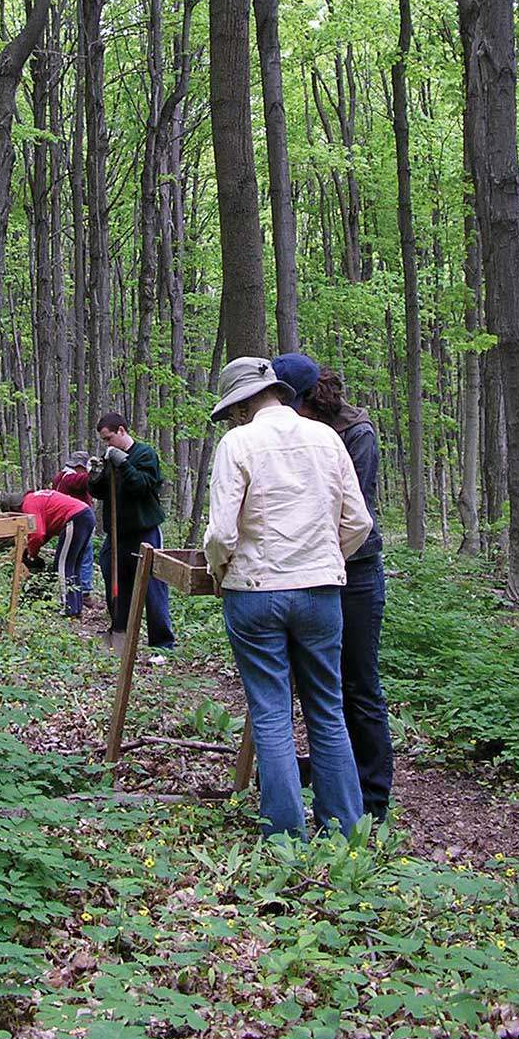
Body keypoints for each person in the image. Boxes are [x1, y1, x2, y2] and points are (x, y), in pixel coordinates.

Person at [204, 357, 371, 839]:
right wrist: (324, 559)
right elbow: (358, 522)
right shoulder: (327, 438)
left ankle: (284, 838)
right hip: (320, 592)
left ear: (241, 405)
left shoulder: (238, 443)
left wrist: (220, 568)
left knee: (272, 714)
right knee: (328, 709)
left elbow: (221, 533)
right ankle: (346, 831)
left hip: (254, 592)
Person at [274, 354, 394, 823]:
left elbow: (351, 510)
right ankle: (328, 775)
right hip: (306, 570)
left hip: (354, 569)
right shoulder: (290, 429)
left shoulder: (355, 433)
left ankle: (373, 795)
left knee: (359, 683)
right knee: (317, 683)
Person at [88, 414, 175, 652]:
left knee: (152, 587)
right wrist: (94, 476)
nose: (107, 444)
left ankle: (162, 644)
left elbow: (142, 486)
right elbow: (101, 492)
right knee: (115, 580)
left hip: (144, 533)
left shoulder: (145, 454)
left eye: (109, 438)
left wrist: (124, 464)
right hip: (117, 535)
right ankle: (120, 635)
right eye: (104, 441)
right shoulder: (110, 459)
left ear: (121, 430)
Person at [0, 488, 97, 618]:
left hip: (75, 517)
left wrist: (32, 554)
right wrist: (31, 549)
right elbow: (46, 531)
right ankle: (76, 607)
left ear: (14, 508)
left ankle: (68, 608)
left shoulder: (29, 504)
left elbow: (38, 534)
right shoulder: (35, 498)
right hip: (85, 514)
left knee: (62, 565)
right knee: (74, 566)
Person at [52, 451, 96, 608]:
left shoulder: (60, 477)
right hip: (77, 523)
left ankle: (76, 594)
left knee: (74, 559)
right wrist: (94, 470)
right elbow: (87, 479)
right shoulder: (71, 478)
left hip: (69, 522)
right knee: (83, 557)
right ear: (79, 466)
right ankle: (83, 593)